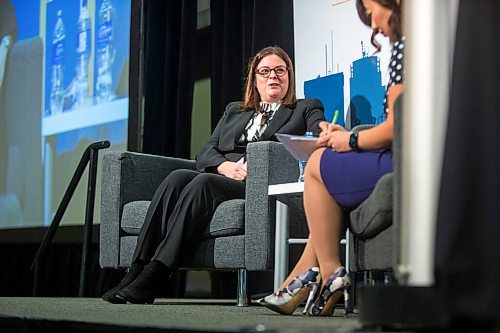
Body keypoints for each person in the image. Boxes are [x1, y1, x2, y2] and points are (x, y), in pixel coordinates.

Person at [102, 46, 326, 304]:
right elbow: (207, 150)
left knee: (203, 182)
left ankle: (158, 272)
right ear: (255, 79)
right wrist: (223, 166)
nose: (272, 76)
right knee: (177, 178)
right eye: (264, 72)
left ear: (289, 75)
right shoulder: (235, 110)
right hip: (224, 172)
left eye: (279, 70)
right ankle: (137, 269)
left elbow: (316, 138)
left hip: (257, 182)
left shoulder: (305, 107)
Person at [259, 0, 404, 316]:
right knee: (324, 179)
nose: (373, 25)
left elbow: (398, 128)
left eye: (370, 11)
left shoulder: (409, 49)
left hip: (407, 161)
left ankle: (330, 273)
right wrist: (347, 137)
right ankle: (297, 284)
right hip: (405, 155)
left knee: (315, 165)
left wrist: (349, 139)